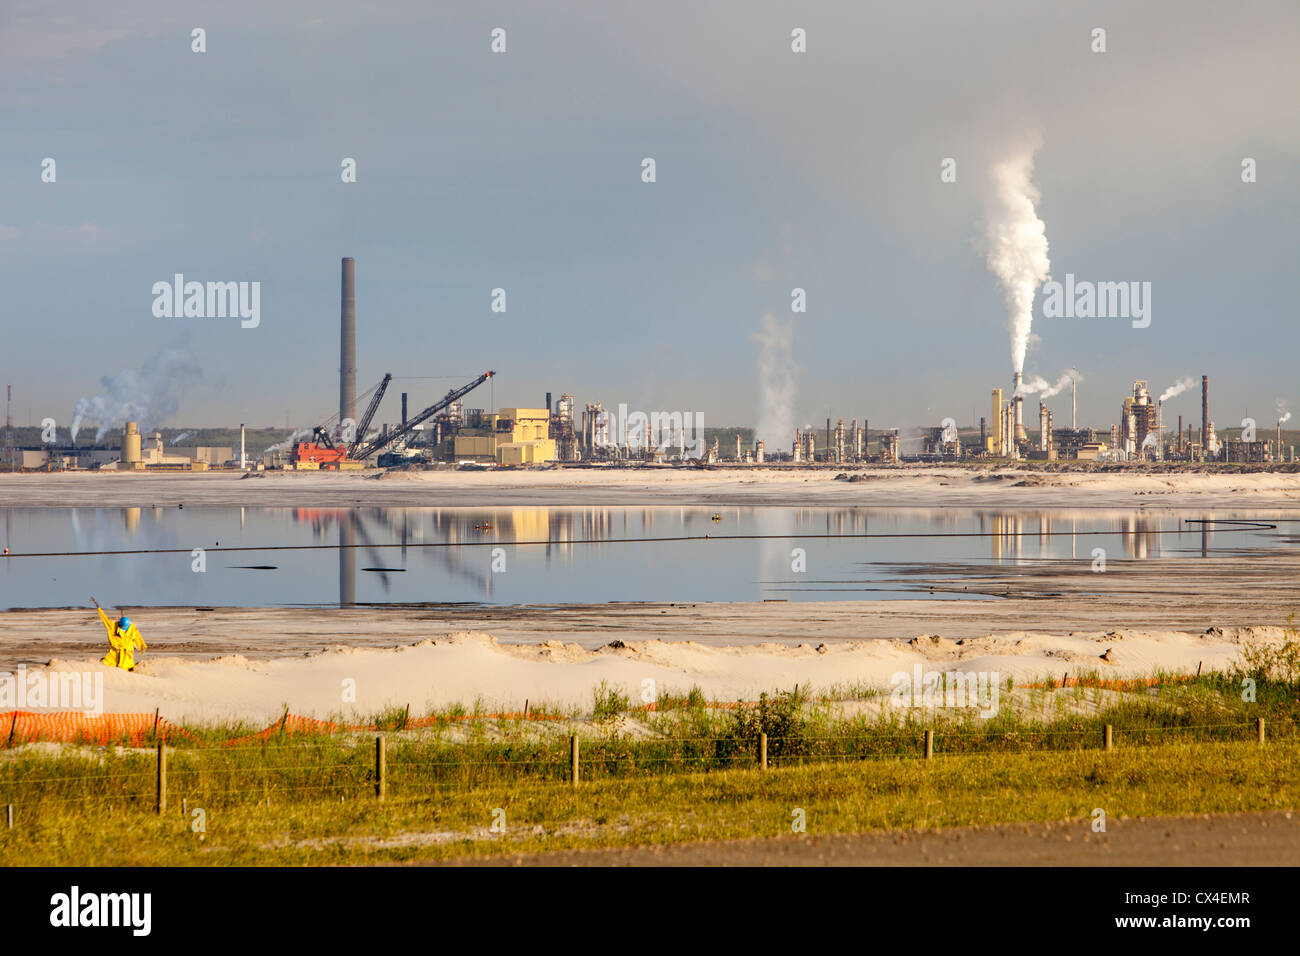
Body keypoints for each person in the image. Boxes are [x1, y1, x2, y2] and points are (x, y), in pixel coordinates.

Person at [92, 597, 147, 671]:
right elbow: (105, 619)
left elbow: (138, 637)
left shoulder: (132, 628)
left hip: (127, 654)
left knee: (128, 666)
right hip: (115, 652)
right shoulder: (113, 626)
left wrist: (142, 646)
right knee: (106, 663)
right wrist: (99, 609)